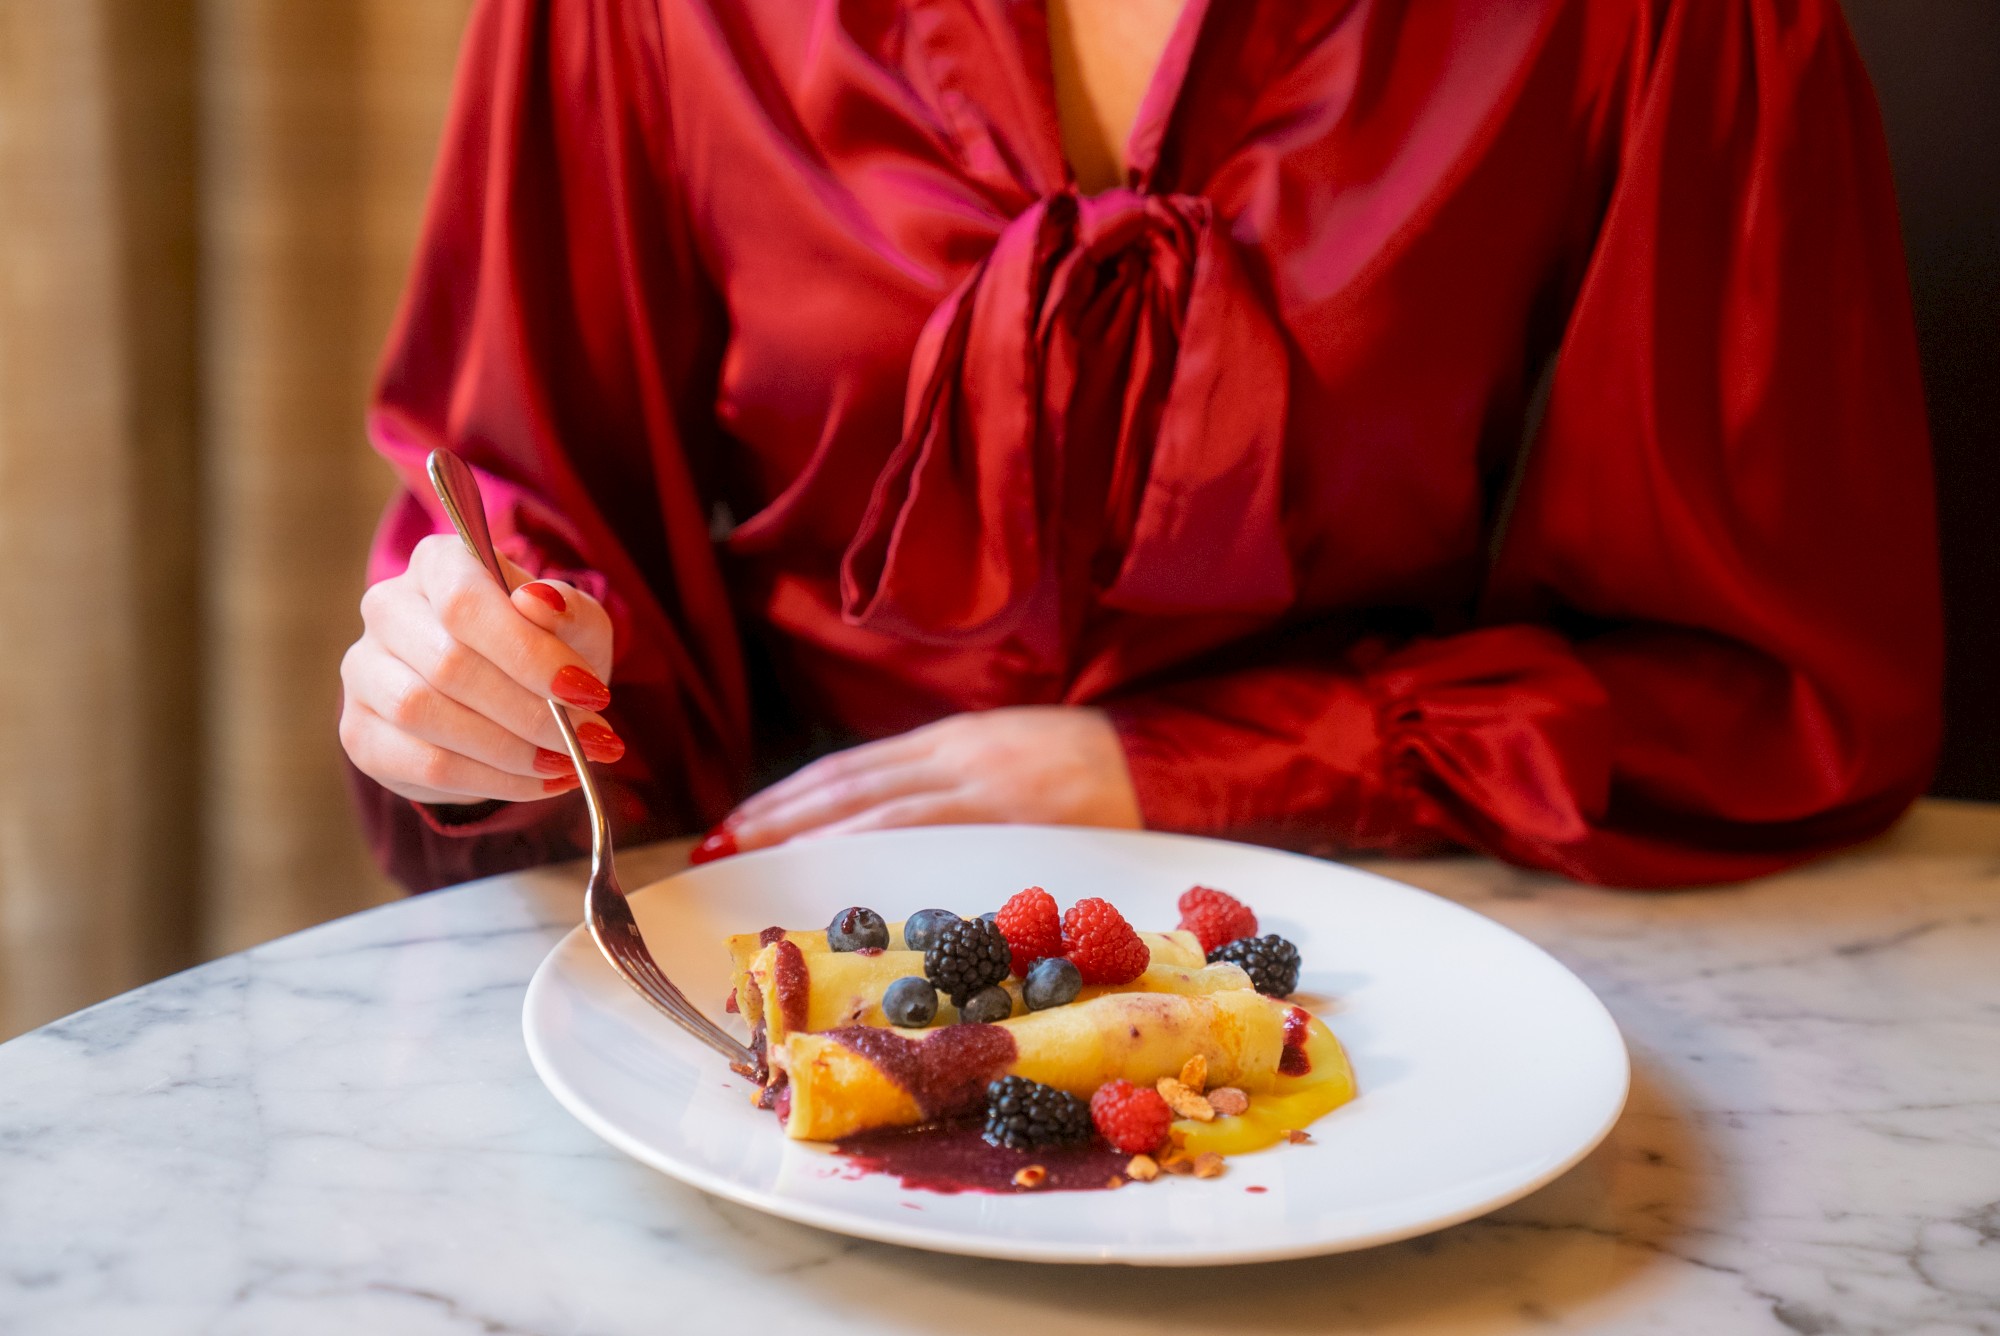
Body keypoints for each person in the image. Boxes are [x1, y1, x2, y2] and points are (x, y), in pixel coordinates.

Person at [340, 0, 1941, 894]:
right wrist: (489, 674)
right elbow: (520, 505)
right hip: (787, 933)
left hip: (1406, 940)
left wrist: (1201, 767)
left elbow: (1769, 684)